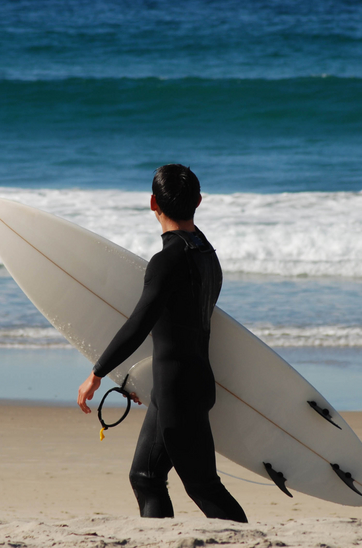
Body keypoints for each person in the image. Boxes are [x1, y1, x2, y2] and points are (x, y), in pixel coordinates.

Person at [77, 164, 247, 523]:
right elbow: (180, 326)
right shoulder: (207, 256)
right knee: (145, 477)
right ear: (199, 201)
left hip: (177, 391)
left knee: (202, 485)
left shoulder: (166, 261)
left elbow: (140, 325)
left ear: (153, 203)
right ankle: (160, 546)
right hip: (189, 383)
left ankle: (250, 547)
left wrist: (97, 373)